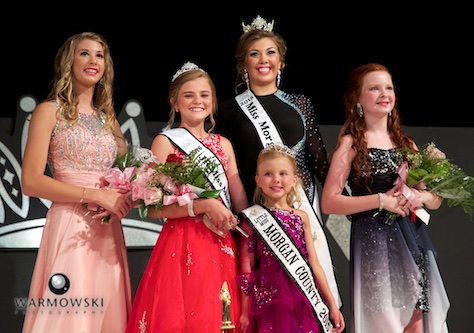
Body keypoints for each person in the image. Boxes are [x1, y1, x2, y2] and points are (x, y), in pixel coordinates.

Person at [215, 14, 342, 309]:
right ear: (243, 63)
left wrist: (352, 190)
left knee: (312, 292)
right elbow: (226, 171)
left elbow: (319, 161)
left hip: (301, 208)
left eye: (271, 52)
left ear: (281, 61)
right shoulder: (228, 111)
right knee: (266, 300)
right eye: (254, 53)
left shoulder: (300, 104)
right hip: (258, 215)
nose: (264, 59)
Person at [321, 63, 450, 333]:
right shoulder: (351, 144)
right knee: (385, 324)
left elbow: (434, 201)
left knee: (417, 323)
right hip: (374, 244)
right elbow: (330, 201)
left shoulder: (407, 144)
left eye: (388, 87)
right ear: (358, 98)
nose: (384, 94)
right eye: (374, 88)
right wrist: (381, 200)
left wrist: (423, 191)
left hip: (412, 241)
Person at [21, 32, 134, 333]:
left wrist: (128, 194)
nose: (93, 60)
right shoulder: (49, 111)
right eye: (84, 53)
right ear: (68, 61)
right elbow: (31, 182)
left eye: (99, 55)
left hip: (107, 228)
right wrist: (95, 194)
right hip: (70, 224)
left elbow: (128, 172)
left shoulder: (108, 118)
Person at [125, 61, 249, 333]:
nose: (198, 101)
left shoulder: (223, 144)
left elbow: (236, 191)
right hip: (183, 242)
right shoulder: (165, 141)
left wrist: (252, 221)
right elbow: (153, 208)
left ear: (213, 101)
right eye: (189, 95)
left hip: (222, 238)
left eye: (204, 95)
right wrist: (201, 206)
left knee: (222, 314)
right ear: (175, 102)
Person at [238, 143, 345, 333]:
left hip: (302, 295)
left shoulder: (301, 217)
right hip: (269, 298)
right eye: (268, 174)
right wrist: (245, 310)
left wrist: (332, 305)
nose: (276, 179)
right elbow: (246, 267)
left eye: (283, 173)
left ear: (294, 179)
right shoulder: (252, 218)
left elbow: (314, 264)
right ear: (258, 180)